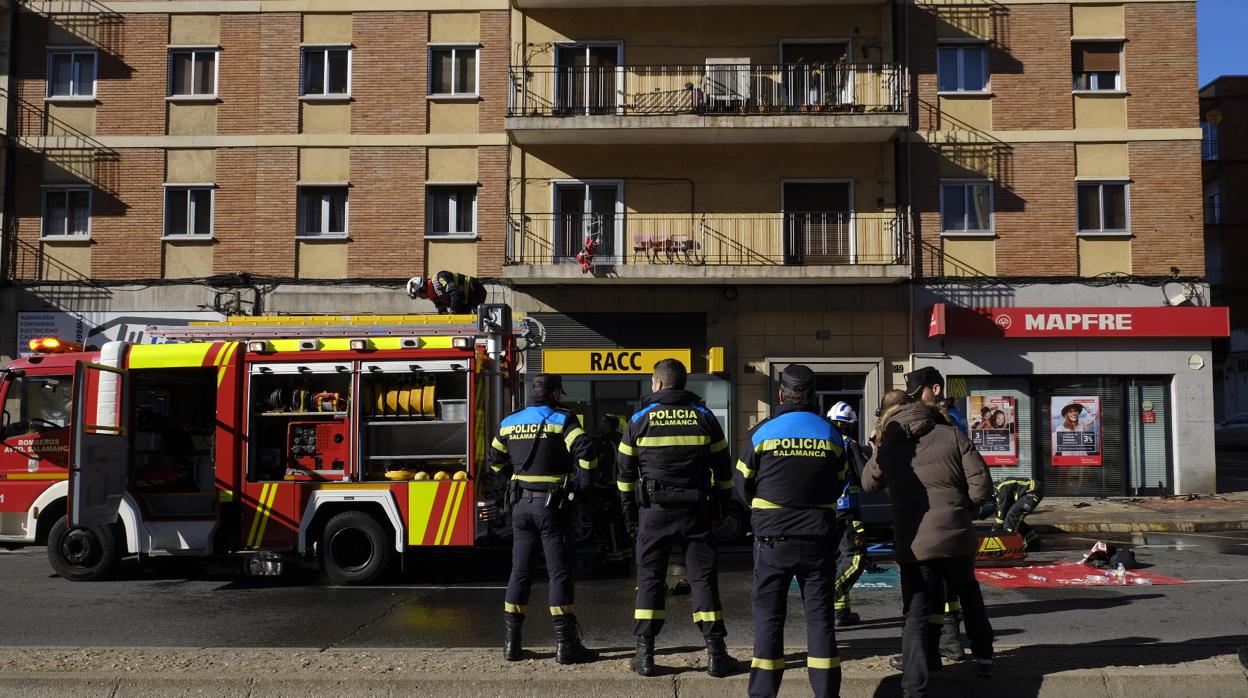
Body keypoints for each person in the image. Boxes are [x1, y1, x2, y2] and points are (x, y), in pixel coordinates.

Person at [862, 389, 995, 698]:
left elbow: (868, 484)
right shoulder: (952, 434)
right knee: (967, 591)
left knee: (916, 612)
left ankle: (914, 685)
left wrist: (874, 446)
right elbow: (981, 485)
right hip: (956, 534)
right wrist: (963, 512)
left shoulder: (889, 444)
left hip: (914, 540)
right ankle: (985, 657)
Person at [617, 358, 737, 678]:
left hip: (653, 514)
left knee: (651, 582)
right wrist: (720, 510)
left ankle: (644, 655)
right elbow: (724, 473)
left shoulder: (639, 419)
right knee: (702, 580)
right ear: (683, 384)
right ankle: (716, 654)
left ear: (656, 383)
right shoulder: (705, 417)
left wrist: (631, 519)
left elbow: (624, 478)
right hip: (696, 511)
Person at [736, 365, 850, 698]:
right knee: (820, 620)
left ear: (781, 394)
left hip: (773, 541)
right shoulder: (830, 433)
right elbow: (840, 480)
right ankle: (826, 693)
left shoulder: (762, 433)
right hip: (818, 540)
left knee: (769, 619)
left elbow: (742, 487)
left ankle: (762, 694)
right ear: (812, 394)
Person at [489, 373, 598, 665]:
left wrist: (512, 481)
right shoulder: (562, 419)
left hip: (520, 506)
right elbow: (586, 451)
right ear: (554, 394)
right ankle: (566, 645)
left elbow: (494, 460)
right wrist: (582, 485)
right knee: (558, 572)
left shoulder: (510, 421)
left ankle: (512, 645)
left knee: (520, 572)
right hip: (552, 507)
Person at [827, 401, 868, 627]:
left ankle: (840, 612)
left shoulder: (823, 441)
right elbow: (865, 479)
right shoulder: (849, 444)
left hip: (827, 512)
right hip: (847, 510)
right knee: (854, 559)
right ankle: (826, 601)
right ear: (849, 425)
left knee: (836, 561)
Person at [990, 477, 1043, 549]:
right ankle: (1034, 542)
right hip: (1030, 490)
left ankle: (1010, 546)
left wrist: (993, 532)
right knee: (1016, 520)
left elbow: (1002, 514)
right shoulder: (995, 490)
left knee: (1012, 515)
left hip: (1033, 491)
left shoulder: (999, 491)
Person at [407, 271, 487, 314]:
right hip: (464, 300)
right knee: (460, 320)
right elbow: (441, 309)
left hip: (474, 289)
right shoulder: (433, 295)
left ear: (423, 288)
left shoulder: (439, 278)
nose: (421, 298)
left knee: (477, 318)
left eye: (419, 295)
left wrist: (453, 312)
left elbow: (454, 292)